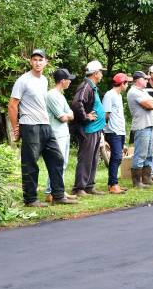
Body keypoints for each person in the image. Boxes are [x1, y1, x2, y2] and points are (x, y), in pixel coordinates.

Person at [7, 50, 76, 207]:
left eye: (40, 60)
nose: (37, 62)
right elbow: (12, 105)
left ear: (46, 62)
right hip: (30, 126)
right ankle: (30, 199)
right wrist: (15, 127)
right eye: (35, 59)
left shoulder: (44, 80)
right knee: (31, 163)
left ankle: (58, 195)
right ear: (31, 62)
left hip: (46, 125)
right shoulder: (23, 80)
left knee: (57, 159)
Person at [70, 60, 106, 196]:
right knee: (85, 158)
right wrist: (86, 117)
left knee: (94, 158)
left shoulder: (92, 86)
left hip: (96, 129)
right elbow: (77, 103)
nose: (102, 74)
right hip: (88, 129)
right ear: (95, 73)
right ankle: (79, 188)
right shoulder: (86, 86)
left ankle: (89, 186)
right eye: (100, 72)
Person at [44, 68, 77, 199]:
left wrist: (67, 115)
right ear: (63, 81)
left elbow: (71, 114)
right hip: (56, 134)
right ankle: (49, 192)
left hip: (64, 133)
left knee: (63, 163)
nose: (70, 82)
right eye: (69, 79)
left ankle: (59, 190)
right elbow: (62, 117)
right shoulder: (51, 95)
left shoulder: (61, 95)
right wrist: (67, 115)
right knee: (57, 164)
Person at [127, 71, 153, 188]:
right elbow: (151, 105)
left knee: (149, 153)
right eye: (145, 79)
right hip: (141, 126)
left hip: (149, 124)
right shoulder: (134, 92)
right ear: (138, 80)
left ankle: (146, 178)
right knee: (140, 154)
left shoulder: (142, 91)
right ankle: (137, 182)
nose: (147, 80)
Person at [103, 73, 133, 194]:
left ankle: (113, 183)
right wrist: (104, 132)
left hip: (120, 131)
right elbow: (106, 114)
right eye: (127, 83)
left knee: (118, 157)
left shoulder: (119, 96)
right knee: (116, 157)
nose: (127, 85)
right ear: (122, 83)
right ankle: (113, 184)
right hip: (112, 131)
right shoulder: (109, 95)